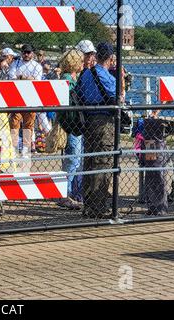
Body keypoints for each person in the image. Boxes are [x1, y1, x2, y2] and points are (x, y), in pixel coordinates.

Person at [75, 42, 116, 218]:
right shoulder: (107, 76)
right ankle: (98, 207)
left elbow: (79, 93)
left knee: (89, 161)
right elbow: (118, 96)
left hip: (87, 120)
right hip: (104, 121)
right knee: (103, 163)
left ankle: (88, 204)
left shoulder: (85, 74)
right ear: (111, 58)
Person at [56, 49, 85, 210]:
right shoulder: (68, 80)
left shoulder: (74, 78)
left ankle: (66, 192)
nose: (83, 63)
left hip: (74, 125)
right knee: (72, 159)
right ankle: (64, 194)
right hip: (70, 125)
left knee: (75, 158)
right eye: (80, 61)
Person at [8, 44, 43, 157]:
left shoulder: (37, 66)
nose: (26, 54)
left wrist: (21, 78)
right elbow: (12, 78)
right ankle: (14, 147)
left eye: (28, 52)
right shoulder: (15, 63)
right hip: (16, 97)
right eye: (24, 52)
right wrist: (28, 78)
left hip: (31, 97)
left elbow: (36, 81)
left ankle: (26, 148)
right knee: (15, 122)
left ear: (32, 53)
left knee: (29, 124)